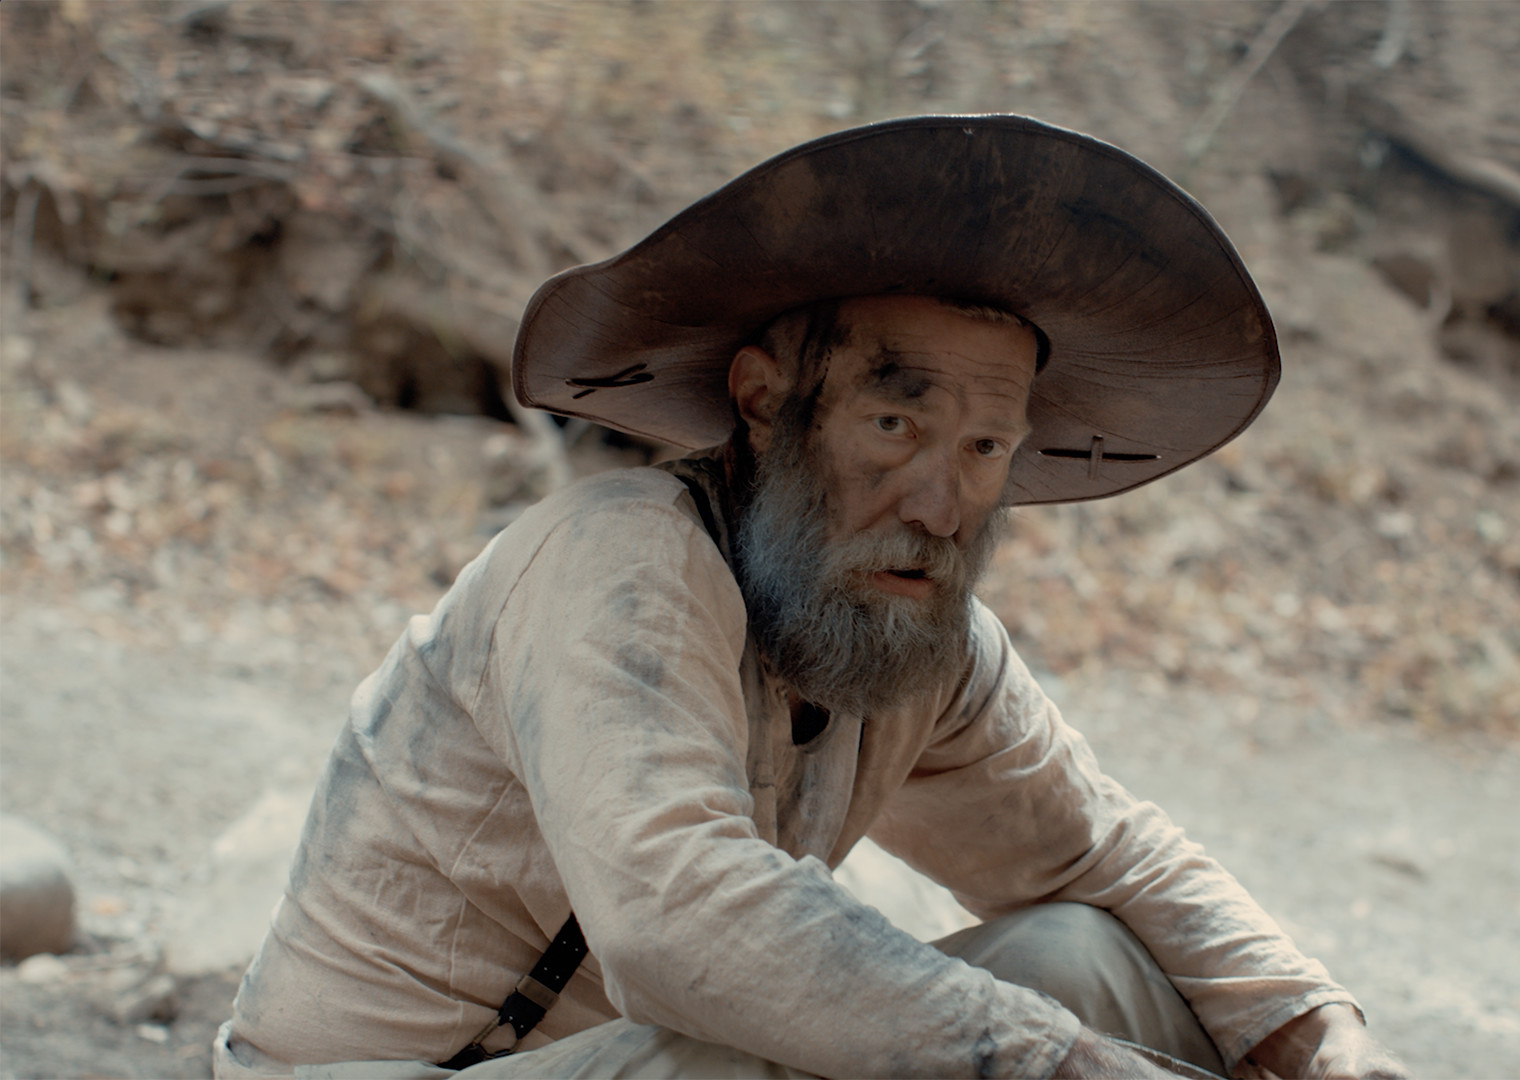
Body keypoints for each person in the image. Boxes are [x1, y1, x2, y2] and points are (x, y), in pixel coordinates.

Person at [215, 116, 1406, 1080]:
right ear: (765, 401)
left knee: (1084, 955)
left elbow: (1099, 854)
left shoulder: (925, 645)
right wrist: (1050, 1060)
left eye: (986, 447)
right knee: (797, 1060)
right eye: (894, 425)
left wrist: (1312, 1027)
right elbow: (677, 921)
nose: (941, 503)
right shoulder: (617, 562)